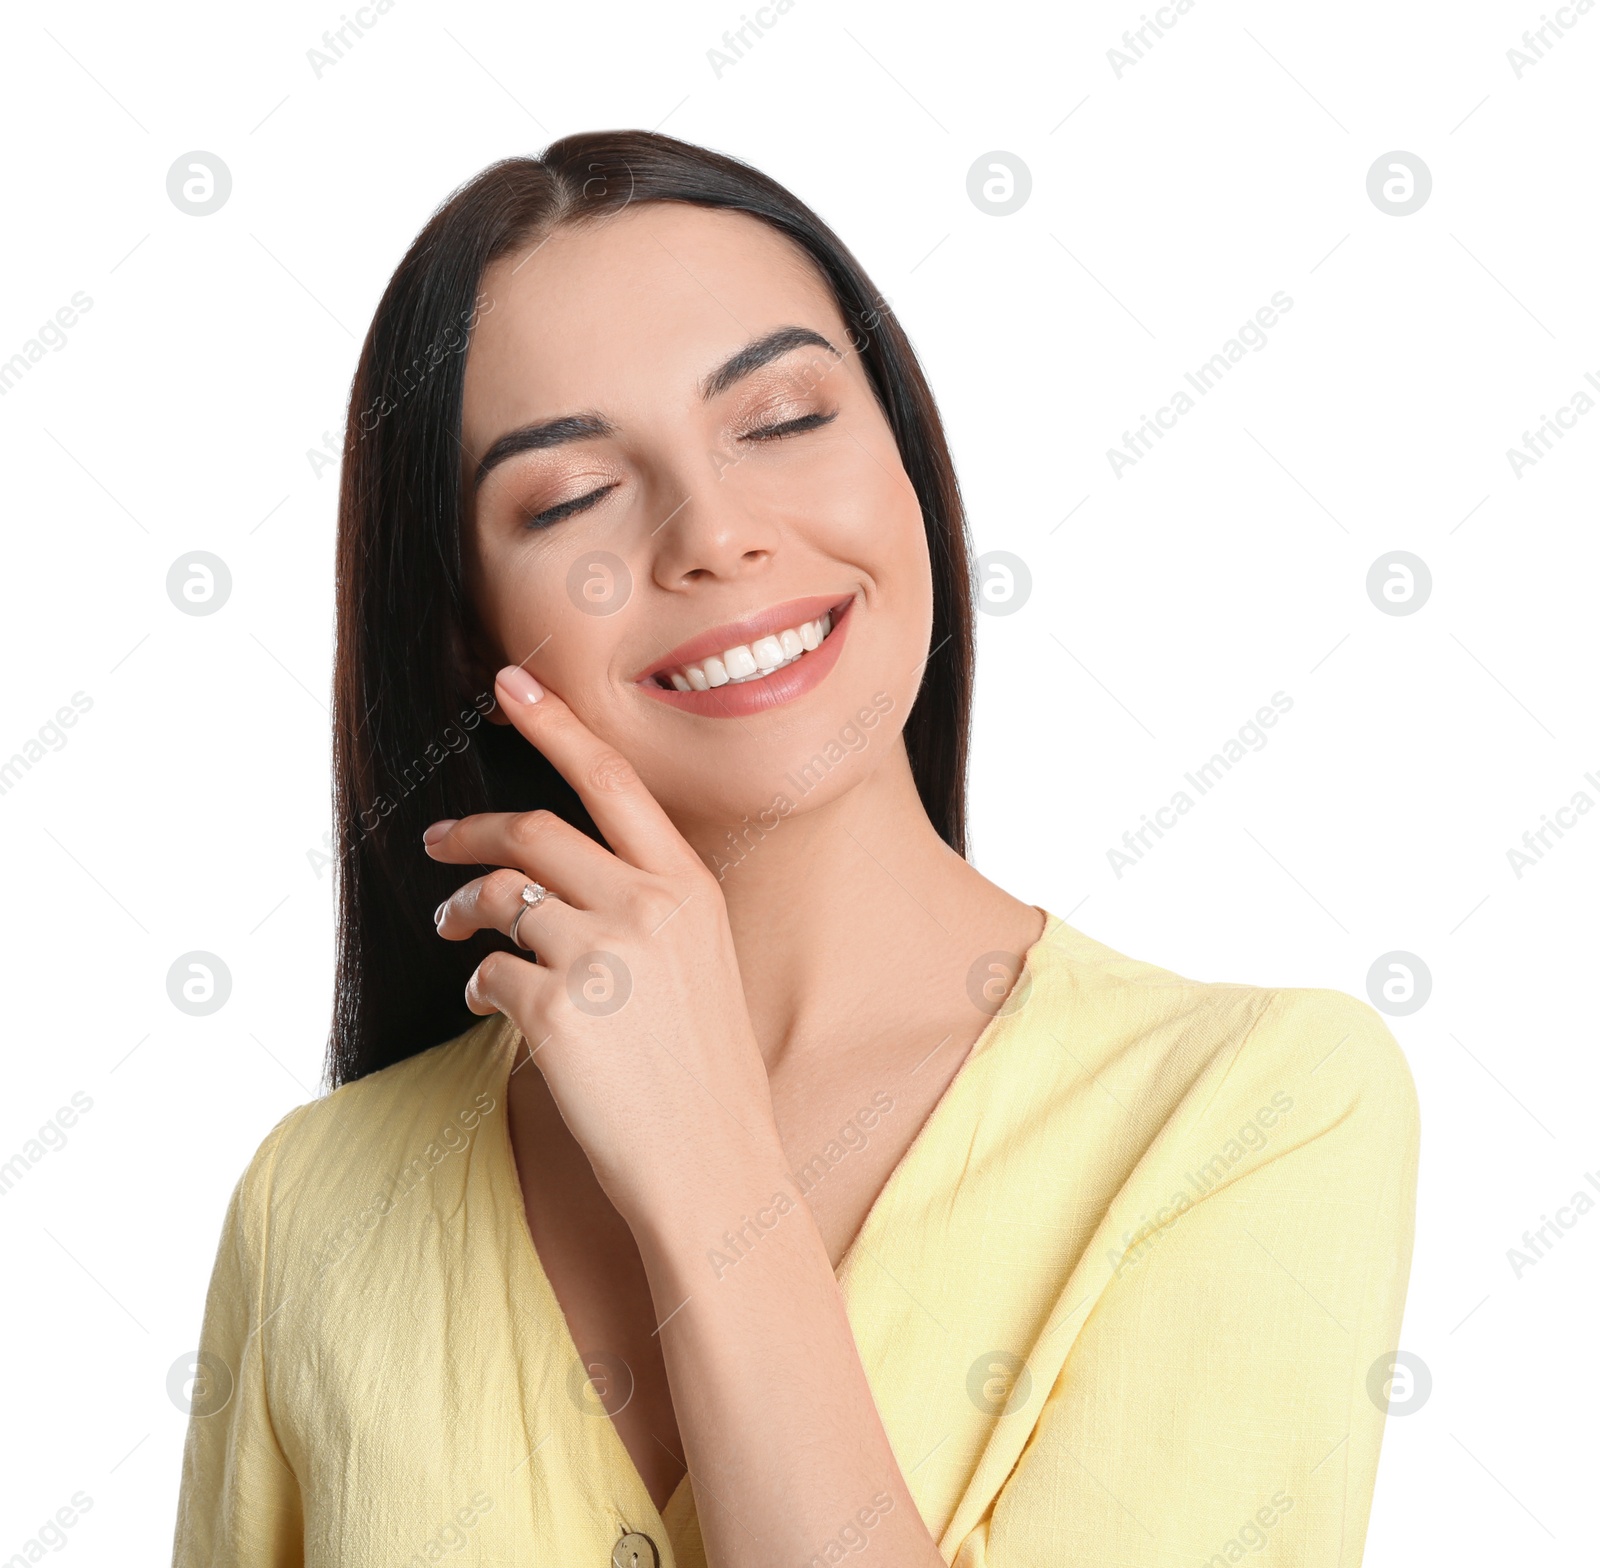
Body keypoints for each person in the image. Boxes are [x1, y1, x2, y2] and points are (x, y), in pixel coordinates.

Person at [172, 131, 1420, 1568]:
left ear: (904, 457)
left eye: (780, 419)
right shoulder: (318, 1205)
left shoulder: (1259, 1110)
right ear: (464, 625)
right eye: (571, 497)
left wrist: (707, 1172)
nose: (713, 534)